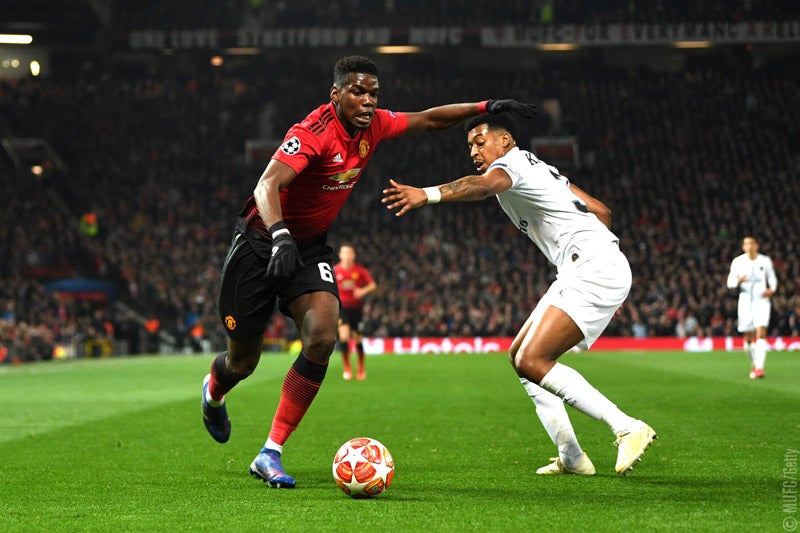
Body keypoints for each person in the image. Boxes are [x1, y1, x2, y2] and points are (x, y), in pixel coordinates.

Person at [200, 55, 538, 488]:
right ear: (336, 94)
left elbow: (430, 120)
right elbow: (266, 186)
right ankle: (214, 390)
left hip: (307, 247)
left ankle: (270, 452)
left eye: (373, 93)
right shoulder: (312, 134)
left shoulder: (375, 125)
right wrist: (280, 234)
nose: (367, 101)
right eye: (358, 92)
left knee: (322, 336)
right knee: (242, 362)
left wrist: (484, 107)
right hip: (259, 243)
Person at [382, 114, 656, 475]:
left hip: (588, 266)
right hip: (588, 266)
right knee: (520, 358)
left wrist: (426, 194)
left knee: (532, 360)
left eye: (480, 142)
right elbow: (602, 211)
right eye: (469, 146)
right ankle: (572, 455)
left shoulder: (510, 164)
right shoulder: (540, 168)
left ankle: (627, 427)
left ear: (506, 140)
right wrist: (606, 274)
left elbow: (481, 187)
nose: (474, 151)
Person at [726, 236, 777, 379]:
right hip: (745, 301)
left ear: (757, 246)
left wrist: (772, 289)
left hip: (762, 300)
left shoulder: (765, 261)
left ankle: (759, 368)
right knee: (748, 338)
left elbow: (772, 278)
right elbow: (729, 283)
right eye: (747, 244)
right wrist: (738, 281)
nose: (750, 246)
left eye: (752, 243)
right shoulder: (738, 262)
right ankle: (755, 364)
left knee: (761, 332)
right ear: (743, 247)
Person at [334, 243, 376, 381]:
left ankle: (361, 367)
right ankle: (347, 367)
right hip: (342, 309)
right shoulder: (335, 271)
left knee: (358, 339)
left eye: (349, 252)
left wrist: (363, 291)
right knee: (344, 337)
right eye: (344, 252)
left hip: (357, 309)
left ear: (353, 255)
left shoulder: (360, 271)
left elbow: (372, 285)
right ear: (340, 255)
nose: (347, 255)